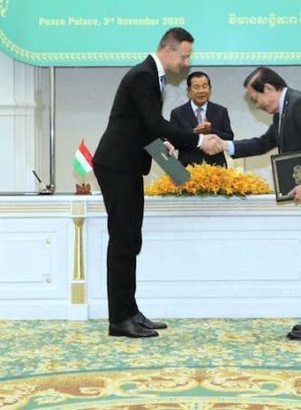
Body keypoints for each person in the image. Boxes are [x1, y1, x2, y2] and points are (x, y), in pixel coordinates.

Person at [208, 67, 301, 340]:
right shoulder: (286, 110)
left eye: (256, 99)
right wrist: (226, 146)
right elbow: (265, 142)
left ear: (268, 88)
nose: (257, 104)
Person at [94, 28, 221, 338]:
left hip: (128, 165)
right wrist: (198, 138)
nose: (187, 63)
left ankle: (130, 311)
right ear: (168, 50)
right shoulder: (143, 76)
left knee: (131, 240)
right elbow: (154, 123)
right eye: (185, 56)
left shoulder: (152, 76)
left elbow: (145, 127)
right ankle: (119, 320)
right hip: (117, 165)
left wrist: (165, 148)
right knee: (123, 242)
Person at [169, 71, 234, 167]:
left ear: (210, 89)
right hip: (188, 168)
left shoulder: (221, 111)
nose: (201, 91)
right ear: (189, 91)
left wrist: (210, 130)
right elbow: (174, 141)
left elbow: (229, 137)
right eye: (196, 87)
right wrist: (194, 132)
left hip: (216, 169)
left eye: (204, 86)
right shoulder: (177, 113)